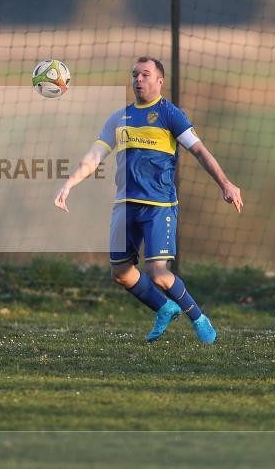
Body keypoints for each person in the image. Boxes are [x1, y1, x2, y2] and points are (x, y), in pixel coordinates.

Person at [54, 57, 243, 344]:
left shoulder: (170, 115)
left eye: (145, 74)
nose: (138, 80)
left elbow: (201, 152)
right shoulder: (119, 118)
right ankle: (165, 308)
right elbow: (94, 157)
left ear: (159, 81)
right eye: (134, 75)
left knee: (158, 274)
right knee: (121, 273)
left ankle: (199, 318)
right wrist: (69, 184)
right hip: (124, 205)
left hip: (159, 206)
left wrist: (226, 183)